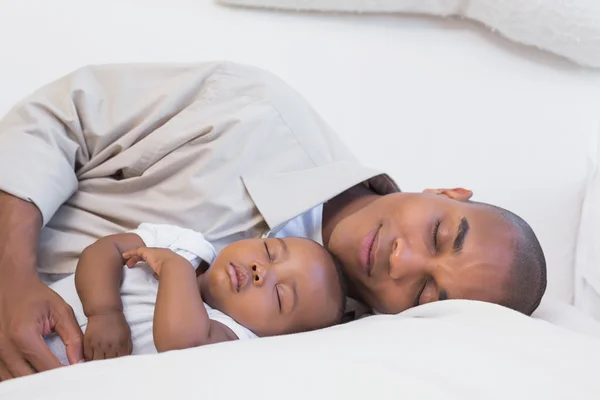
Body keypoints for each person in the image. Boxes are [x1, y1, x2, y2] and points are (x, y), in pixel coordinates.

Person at [0, 62, 547, 380]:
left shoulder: (327, 360)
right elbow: (53, 123)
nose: (401, 259)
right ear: (446, 192)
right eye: (438, 233)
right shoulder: (252, 110)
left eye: (427, 293)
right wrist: (12, 275)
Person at [44, 223, 346, 364]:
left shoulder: (234, 338)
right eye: (269, 251)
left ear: (278, 338)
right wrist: (104, 311)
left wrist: (176, 269)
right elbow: (103, 250)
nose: (260, 271)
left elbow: (181, 343)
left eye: (281, 296)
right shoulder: (187, 244)